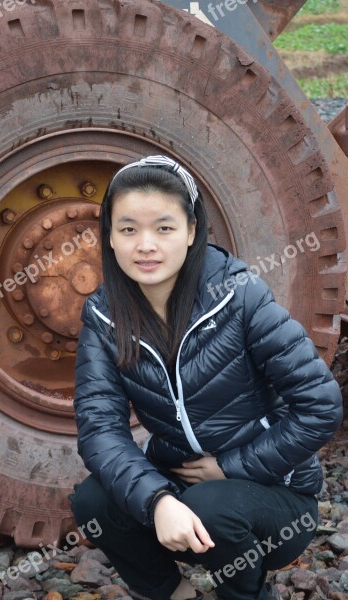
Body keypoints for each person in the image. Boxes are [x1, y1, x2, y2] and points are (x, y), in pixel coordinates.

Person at [69, 155, 343, 600]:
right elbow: (100, 430)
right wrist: (157, 500)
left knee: (211, 506)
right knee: (93, 501)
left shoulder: (238, 296)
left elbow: (320, 405)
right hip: (181, 489)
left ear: (192, 231)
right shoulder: (104, 316)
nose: (146, 245)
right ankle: (174, 594)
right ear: (110, 239)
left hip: (275, 498)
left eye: (163, 227)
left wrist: (229, 467)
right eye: (128, 229)